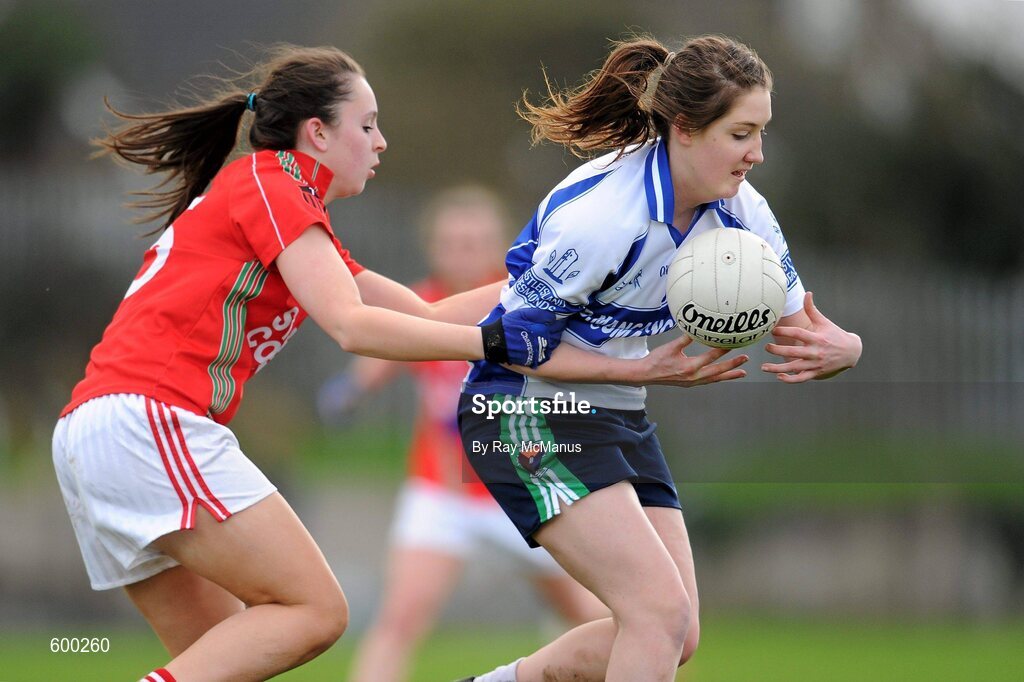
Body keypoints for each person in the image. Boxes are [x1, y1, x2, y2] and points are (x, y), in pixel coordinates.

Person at [49, 46, 573, 682]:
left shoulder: (291, 213)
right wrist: (496, 345)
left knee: (225, 656)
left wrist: (560, 277)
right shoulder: (274, 182)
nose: (382, 142)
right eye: (368, 123)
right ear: (317, 133)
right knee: (317, 610)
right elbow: (353, 327)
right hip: (149, 421)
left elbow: (427, 317)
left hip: (105, 431)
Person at [456, 35, 863, 682]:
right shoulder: (603, 219)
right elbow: (513, 342)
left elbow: (802, 322)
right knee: (657, 613)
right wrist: (638, 369)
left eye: (761, 133)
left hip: (617, 411)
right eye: (741, 134)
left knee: (677, 633)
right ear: (684, 129)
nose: (756, 153)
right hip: (523, 407)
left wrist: (847, 347)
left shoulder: (741, 210)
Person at [316, 186, 608, 682]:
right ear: (433, 248)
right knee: (398, 621)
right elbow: (378, 357)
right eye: (451, 241)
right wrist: (348, 391)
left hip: (529, 490)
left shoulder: (529, 303)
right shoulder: (424, 303)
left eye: (475, 241)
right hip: (442, 495)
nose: (462, 252)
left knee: (609, 618)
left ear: (499, 247)